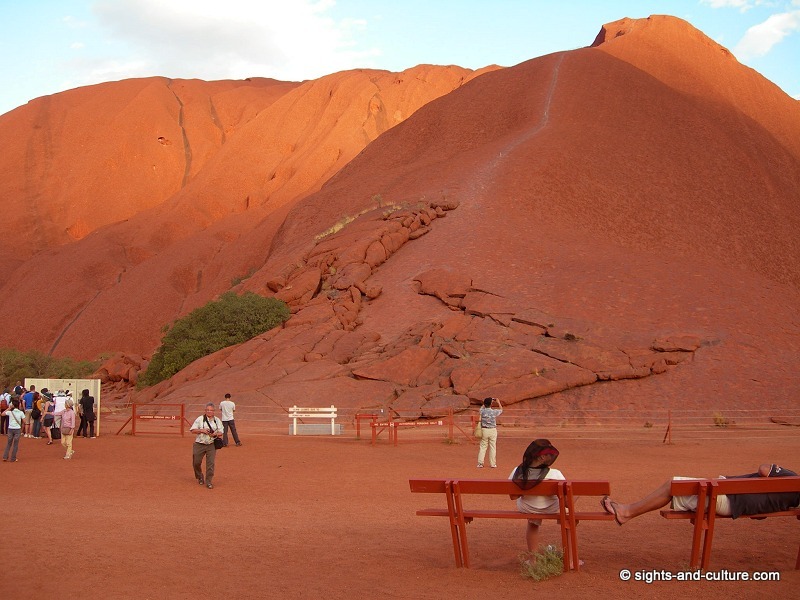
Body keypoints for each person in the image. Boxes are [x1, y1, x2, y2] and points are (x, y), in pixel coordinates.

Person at [601, 463, 800, 525]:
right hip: (737, 504)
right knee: (681, 486)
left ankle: (626, 512)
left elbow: (764, 469)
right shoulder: (795, 498)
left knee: (673, 485)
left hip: (726, 497)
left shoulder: (794, 478)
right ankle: (627, 511)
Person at [509, 439, 565, 552]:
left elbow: (513, 496)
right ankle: (570, 560)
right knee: (569, 510)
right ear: (542, 457)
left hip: (528, 508)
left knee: (533, 521)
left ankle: (533, 560)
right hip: (552, 508)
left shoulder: (517, 471)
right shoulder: (555, 473)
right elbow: (566, 500)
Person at [189, 403, 224, 489]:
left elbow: (221, 432)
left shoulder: (217, 420)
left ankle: (209, 481)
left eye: (211, 410)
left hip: (211, 444)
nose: (209, 412)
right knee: (196, 462)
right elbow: (192, 430)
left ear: (214, 411)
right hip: (199, 444)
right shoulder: (200, 419)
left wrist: (215, 434)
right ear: (205, 411)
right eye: (207, 410)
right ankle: (199, 476)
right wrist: (202, 430)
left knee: (210, 464)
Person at [477, 397, 503, 468]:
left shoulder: (482, 411)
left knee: (483, 447)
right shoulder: (494, 412)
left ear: (485, 404)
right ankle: (493, 464)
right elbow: (501, 410)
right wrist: (498, 402)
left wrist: (485, 403)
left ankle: (480, 463)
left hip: (484, 430)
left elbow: (481, 408)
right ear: (491, 404)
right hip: (492, 430)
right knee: (492, 447)